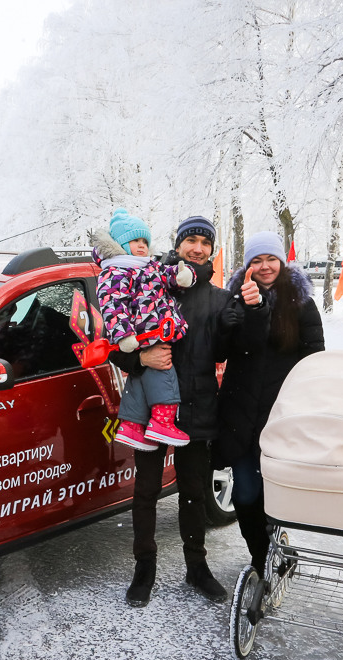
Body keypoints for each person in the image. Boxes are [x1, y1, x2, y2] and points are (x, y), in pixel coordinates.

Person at [110, 215, 233, 607]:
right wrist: (140, 357)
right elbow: (114, 342)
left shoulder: (217, 298)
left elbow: (230, 352)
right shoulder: (146, 278)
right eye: (190, 240)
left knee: (193, 493)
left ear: (212, 250)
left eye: (204, 242)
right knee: (145, 492)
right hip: (150, 409)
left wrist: (243, 320)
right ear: (178, 245)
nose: (197, 248)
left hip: (196, 408)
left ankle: (197, 567)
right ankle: (144, 567)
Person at [214, 232, 324, 574]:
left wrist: (303, 401)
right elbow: (219, 353)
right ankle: (261, 555)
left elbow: (314, 356)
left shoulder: (300, 303)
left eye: (270, 259)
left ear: (282, 261)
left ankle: (275, 545)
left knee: (276, 494)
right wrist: (226, 325)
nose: (264, 267)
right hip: (240, 411)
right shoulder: (233, 297)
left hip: (281, 414)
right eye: (256, 260)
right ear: (247, 265)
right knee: (246, 493)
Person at [94, 208, 195, 449]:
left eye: (144, 241)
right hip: (147, 334)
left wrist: (181, 275)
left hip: (154, 331)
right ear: (120, 245)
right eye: (135, 241)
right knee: (164, 371)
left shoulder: (148, 266)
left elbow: (168, 274)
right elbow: (112, 305)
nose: (142, 246)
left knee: (139, 379)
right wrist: (124, 336)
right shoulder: (116, 271)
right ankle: (163, 421)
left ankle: (131, 425)